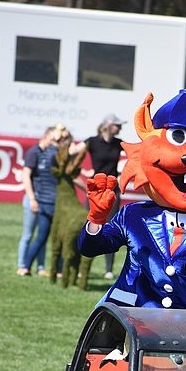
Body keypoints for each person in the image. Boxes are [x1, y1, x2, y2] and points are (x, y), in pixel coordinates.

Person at [78, 89, 186, 311]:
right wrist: (96, 219)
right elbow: (90, 248)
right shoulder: (133, 216)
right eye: (177, 137)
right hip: (131, 315)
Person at [72, 114, 126, 280]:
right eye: (117, 125)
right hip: (96, 190)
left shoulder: (119, 143)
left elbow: (137, 153)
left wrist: (121, 175)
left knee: (110, 227)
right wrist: (80, 172)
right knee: (90, 226)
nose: (120, 128)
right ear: (108, 126)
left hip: (112, 190)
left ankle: (108, 270)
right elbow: (71, 153)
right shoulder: (92, 141)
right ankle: (83, 268)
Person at [17, 126, 63, 277]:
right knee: (28, 234)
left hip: (42, 198)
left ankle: (41, 267)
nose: (53, 142)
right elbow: (26, 176)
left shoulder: (48, 153)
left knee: (41, 235)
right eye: (52, 139)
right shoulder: (33, 152)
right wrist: (31, 198)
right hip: (34, 198)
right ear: (45, 137)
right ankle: (22, 265)